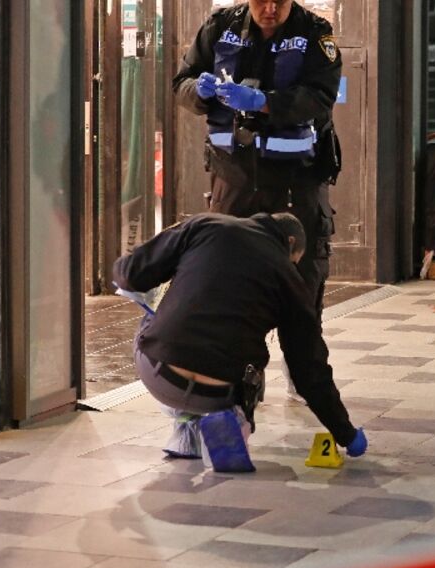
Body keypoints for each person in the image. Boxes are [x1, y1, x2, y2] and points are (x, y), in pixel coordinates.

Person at [172, 0, 342, 403]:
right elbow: (181, 82)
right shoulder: (220, 27)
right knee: (227, 281)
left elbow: (320, 96)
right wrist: (199, 90)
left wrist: (264, 102)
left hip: (296, 181)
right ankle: (238, 376)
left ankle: (304, 377)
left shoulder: (315, 33)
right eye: (261, 0)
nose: (269, 9)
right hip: (233, 179)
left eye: (279, 2)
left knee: (301, 286)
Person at [113, 211, 367, 463]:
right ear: (290, 243)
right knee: (252, 357)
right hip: (218, 395)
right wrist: (346, 434)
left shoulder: (205, 225)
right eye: (295, 260)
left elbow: (131, 273)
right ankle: (235, 418)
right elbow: (309, 370)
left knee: (154, 320)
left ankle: (186, 429)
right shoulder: (290, 280)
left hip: (161, 375)